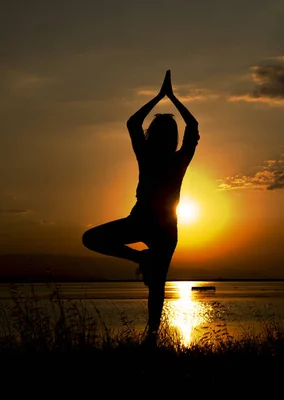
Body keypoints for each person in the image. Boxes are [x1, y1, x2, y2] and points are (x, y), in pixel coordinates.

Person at [82, 70, 199, 343]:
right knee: (156, 285)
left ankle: (152, 337)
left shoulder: (154, 156)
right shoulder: (178, 157)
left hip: (151, 222)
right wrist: (172, 98)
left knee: (93, 240)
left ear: (153, 135)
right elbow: (192, 125)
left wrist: (161, 97)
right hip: (162, 226)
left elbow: (134, 122)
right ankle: (152, 337)